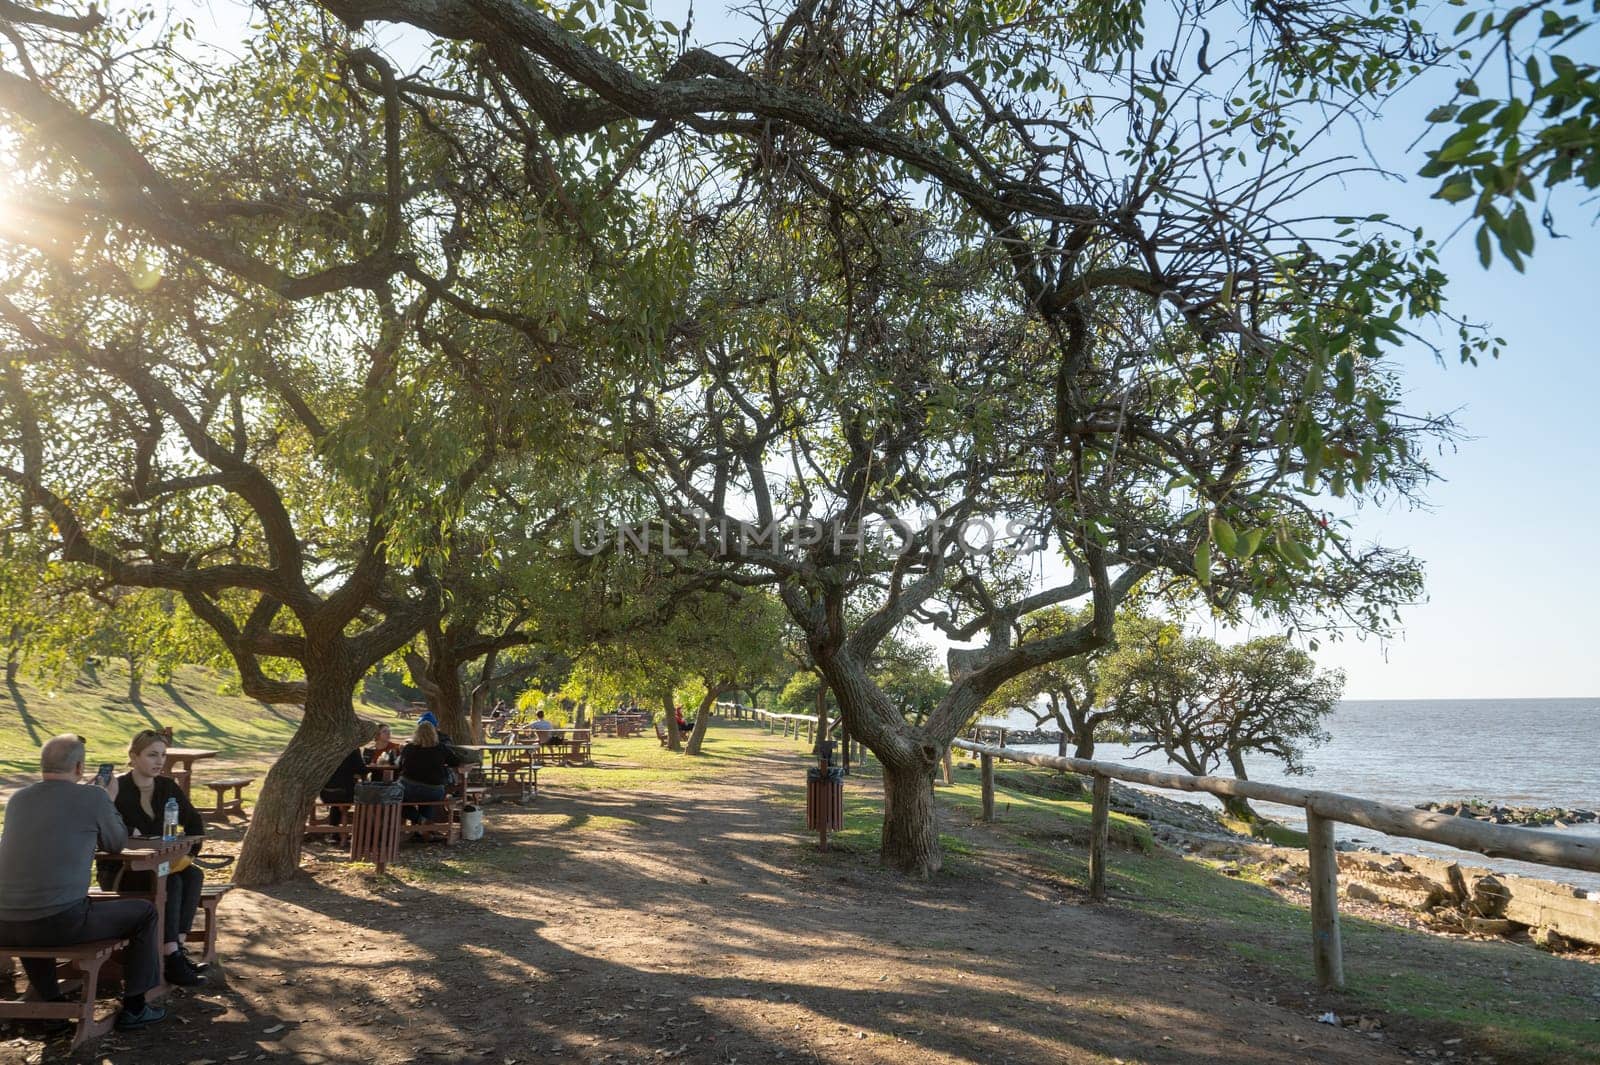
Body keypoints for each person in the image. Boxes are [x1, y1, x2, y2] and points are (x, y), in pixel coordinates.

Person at [0, 734, 167, 1031]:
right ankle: (136, 1007)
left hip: (5, 922)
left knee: (32, 909)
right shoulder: (93, 797)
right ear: (79, 767)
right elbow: (115, 843)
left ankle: (50, 1007)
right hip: (59, 922)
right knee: (145, 912)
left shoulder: (19, 799)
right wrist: (107, 798)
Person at [96, 730, 207, 987]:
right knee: (173, 882)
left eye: (163, 755)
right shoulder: (116, 788)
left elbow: (194, 824)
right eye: (152, 755)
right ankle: (171, 955)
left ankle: (176, 949)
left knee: (192, 874)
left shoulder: (167, 787)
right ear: (134, 757)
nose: (159, 761)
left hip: (161, 864)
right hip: (122, 869)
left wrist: (189, 855)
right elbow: (103, 832)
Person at [397, 721, 462, 824]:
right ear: (434, 733)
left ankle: (421, 821)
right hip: (433, 790)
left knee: (395, 800)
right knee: (428, 800)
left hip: (408, 788)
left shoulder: (409, 748)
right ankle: (424, 830)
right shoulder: (441, 748)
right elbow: (456, 762)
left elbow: (400, 766)